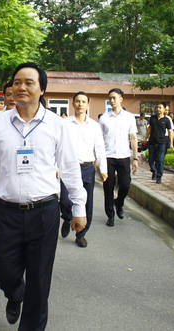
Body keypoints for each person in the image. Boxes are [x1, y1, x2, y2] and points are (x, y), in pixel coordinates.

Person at [0, 62, 87, 330]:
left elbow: (69, 168)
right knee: (2, 268)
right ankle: (15, 294)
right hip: (5, 211)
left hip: (44, 212)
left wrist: (79, 207)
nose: (22, 87)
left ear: (42, 89)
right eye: (17, 82)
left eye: (29, 82)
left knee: (40, 280)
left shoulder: (57, 125)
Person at [60, 91, 107, 248]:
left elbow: (100, 148)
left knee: (87, 202)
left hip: (87, 168)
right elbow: (58, 147)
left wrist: (103, 169)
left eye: (83, 101)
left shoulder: (94, 125)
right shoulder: (65, 124)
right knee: (66, 201)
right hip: (69, 168)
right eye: (77, 101)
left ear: (88, 104)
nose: (80, 104)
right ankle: (67, 218)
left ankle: (81, 234)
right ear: (73, 104)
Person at [98, 88, 139, 227]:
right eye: (110, 98)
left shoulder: (129, 117)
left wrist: (135, 158)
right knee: (108, 187)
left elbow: (133, 138)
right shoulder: (103, 118)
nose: (111, 100)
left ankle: (119, 203)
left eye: (114, 98)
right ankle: (110, 215)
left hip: (124, 156)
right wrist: (97, 159)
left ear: (121, 99)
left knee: (125, 185)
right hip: (108, 157)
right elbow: (99, 140)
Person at [145, 103, 172, 184]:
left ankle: (159, 176)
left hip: (162, 143)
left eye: (160, 107)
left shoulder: (166, 120)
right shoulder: (152, 118)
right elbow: (149, 128)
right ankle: (154, 171)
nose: (158, 109)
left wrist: (171, 143)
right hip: (152, 142)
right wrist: (145, 138)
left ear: (164, 109)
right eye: (157, 107)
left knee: (160, 160)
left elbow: (170, 131)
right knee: (150, 160)